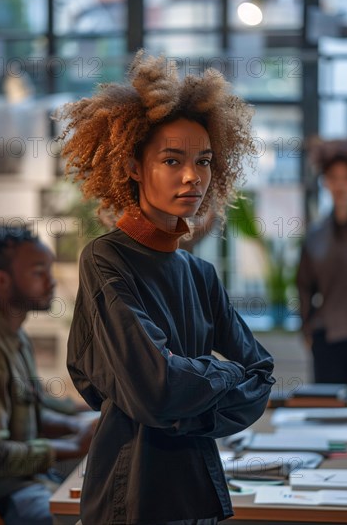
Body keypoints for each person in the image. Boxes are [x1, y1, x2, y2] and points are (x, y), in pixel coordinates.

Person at [57, 51, 275, 525]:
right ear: (134, 166)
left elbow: (261, 375)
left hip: (200, 491)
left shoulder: (200, 275)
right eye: (172, 160)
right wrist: (220, 380)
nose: (192, 176)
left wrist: (184, 398)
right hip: (133, 493)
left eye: (204, 161)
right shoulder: (105, 258)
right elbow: (155, 388)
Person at [0, 226, 95, 525]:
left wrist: (83, 422)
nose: (51, 281)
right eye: (39, 272)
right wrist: (75, 445)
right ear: (1, 280)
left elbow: (34, 410)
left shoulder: (13, 334)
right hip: (3, 492)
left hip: (30, 476)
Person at [297, 138, 347, 397]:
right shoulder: (316, 236)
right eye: (333, 177)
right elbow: (304, 285)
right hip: (327, 339)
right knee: (327, 412)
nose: (340, 185)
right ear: (325, 181)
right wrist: (307, 328)